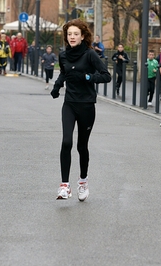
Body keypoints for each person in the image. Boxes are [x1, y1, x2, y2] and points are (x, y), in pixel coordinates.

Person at [50, 19, 111, 201]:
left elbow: (106, 76)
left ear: (82, 36)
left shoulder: (90, 55)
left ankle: (83, 181)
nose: (72, 37)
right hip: (69, 103)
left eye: (76, 34)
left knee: (81, 146)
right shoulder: (63, 55)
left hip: (86, 105)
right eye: (69, 34)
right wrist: (57, 86)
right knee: (66, 142)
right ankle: (64, 186)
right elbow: (64, 72)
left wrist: (87, 76)